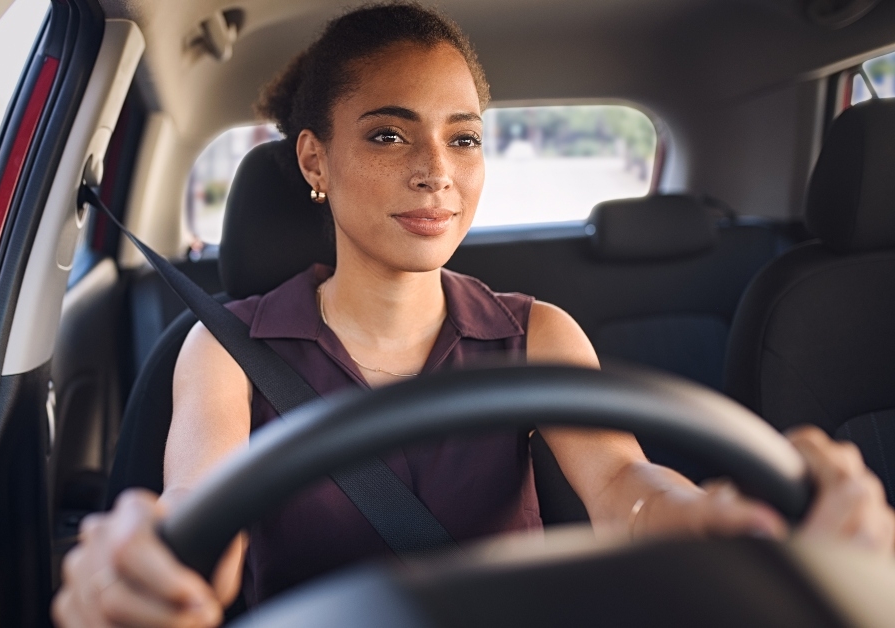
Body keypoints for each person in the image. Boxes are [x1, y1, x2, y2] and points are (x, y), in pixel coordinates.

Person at [53, 4, 895, 626]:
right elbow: (202, 516)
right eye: (389, 136)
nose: (436, 174)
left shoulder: (539, 331)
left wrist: (707, 520)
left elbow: (622, 483)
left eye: (463, 138)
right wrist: (146, 570)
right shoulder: (226, 349)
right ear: (315, 157)